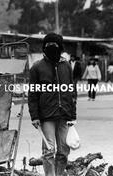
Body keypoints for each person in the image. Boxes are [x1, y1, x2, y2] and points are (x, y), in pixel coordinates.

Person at [28, 33, 77, 176]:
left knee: (63, 152)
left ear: (60, 48)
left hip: (65, 115)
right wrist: (34, 116)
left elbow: (71, 91)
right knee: (49, 152)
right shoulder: (37, 68)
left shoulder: (66, 66)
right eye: (48, 45)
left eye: (55, 45)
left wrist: (73, 115)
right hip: (46, 116)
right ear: (44, 47)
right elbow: (33, 94)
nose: (52, 48)